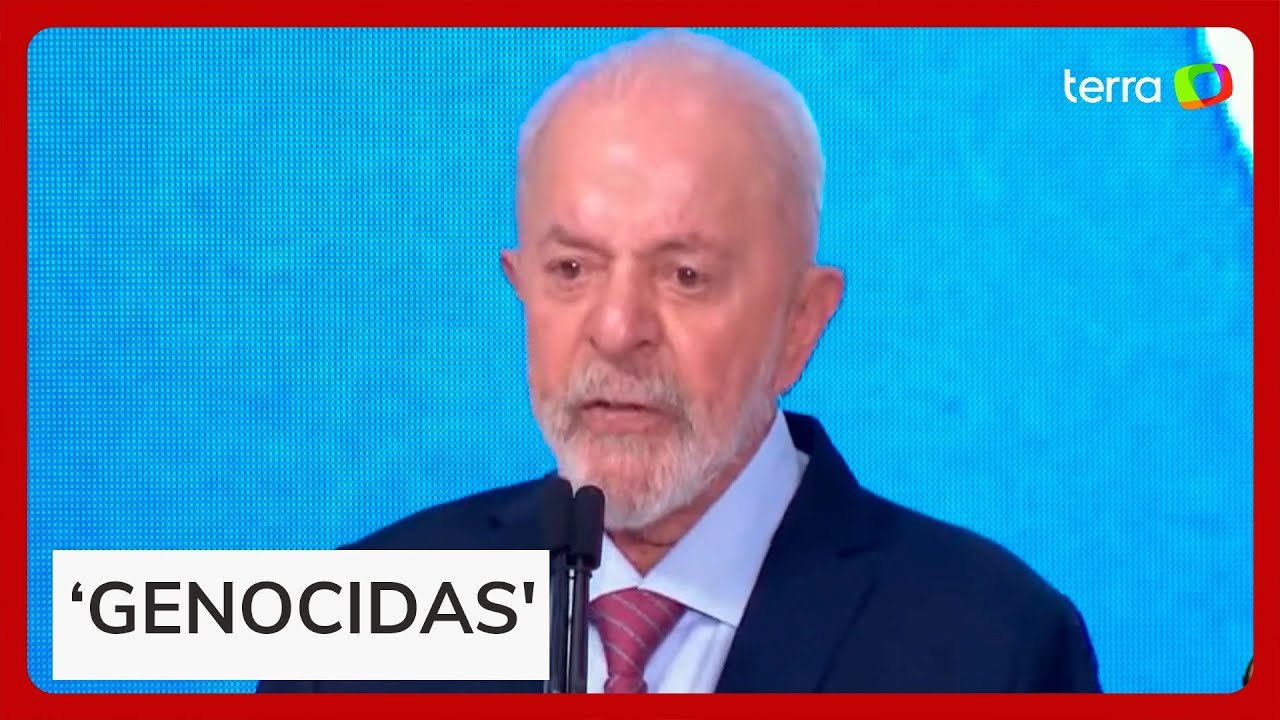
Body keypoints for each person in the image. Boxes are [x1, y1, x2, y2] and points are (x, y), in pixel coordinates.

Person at [258, 28, 1101, 694]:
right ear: (521, 288)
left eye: (685, 275)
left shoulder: (993, 647)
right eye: (572, 270)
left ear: (801, 323)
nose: (617, 328)